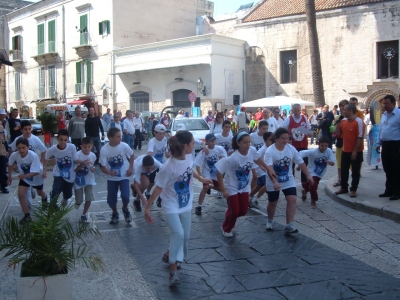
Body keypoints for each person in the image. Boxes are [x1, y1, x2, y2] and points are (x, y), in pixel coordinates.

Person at [144, 130, 212, 286]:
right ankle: (173, 270)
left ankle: (171, 254)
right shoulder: (168, 167)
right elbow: (158, 189)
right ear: (185, 145)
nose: (194, 146)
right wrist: (147, 209)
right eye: (193, 143)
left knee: (185, 237)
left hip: (185, 203)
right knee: (178, 233)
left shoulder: (188, 157)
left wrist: (201, 178)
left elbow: (190, 171)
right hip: (171, 205)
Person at [215, 132, 269, 237]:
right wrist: (223, 189)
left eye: (249, 142)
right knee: (235, 212)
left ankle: (230, 213)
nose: (248, 144)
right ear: (238, 143)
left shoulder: (252, 151)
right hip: (231, 186)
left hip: (244, 186)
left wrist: (268, 168)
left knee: (243, 211)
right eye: (245, 142)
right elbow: (219, 172)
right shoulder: (233, 157)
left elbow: (257, 159)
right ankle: (226, 228)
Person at [264, 128, 314, 234]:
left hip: (288, 179)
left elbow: (300, 162)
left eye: (287, 138)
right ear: (276, 138)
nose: (286, 141)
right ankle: (270, 220)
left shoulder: (291, 148)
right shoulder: (270, 151)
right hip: (273, 179)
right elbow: (269, 169)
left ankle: (289, 224)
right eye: (283, 138)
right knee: (273, 202)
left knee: (292, 199)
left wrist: (308, 175)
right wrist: (274, 182)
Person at [7, 137, 48, 224]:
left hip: (37, 176)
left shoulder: (33, 155)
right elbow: (10, 165)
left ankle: (45, 198)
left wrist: (24, 176)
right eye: (19, 148)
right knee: (21, 195)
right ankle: (27, 216)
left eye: (23, 147)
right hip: (25, 177)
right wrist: (9, 177)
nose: (21, 150)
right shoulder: (14, 155)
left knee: (40, 193)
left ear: (28, 147)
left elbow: (36, 172)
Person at [99, 127, 134, 224]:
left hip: (124, 175)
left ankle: (125, 209)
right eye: (118, 137)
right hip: (112, 178)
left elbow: (131, 155)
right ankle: (114, 213)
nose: (120, 138)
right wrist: (110, 173)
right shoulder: (104, 150)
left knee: (125, 196)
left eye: (121, 136)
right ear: (110, 138)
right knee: (111, 198)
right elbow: (102, 166)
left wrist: (130, 168)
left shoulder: (124, 146)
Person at [334, 104, 365, 198]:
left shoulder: (359, 122)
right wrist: (337, 123)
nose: (343, 111)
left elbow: (360, 137)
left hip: (356, 151)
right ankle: (344, 187)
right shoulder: (343, 121)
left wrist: (355, 151)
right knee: (344, 170)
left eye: (345, 110)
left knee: (355, 171)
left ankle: (353, 189)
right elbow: (338, 134)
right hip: (345, 150)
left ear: (351, 111)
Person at [43, 129, 79, 207]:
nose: (63, 142)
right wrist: (44, 170)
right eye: (61, 140)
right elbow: (45, 158)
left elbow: (76, 159)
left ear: (68, 140)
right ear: (57, 139)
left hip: (70, 174)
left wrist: (84, 162)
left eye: (65, 140)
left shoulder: (72, 147)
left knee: (68, 194)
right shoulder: (53, 148)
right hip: (58, 172)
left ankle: (65, 198)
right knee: (56, 189)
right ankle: (53, 204)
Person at [194, 133, 227, 215]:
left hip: (216, 172)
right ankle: (199, 206)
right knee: (205, 187)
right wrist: (201, 176)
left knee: (221, 189)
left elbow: (225, 159)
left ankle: (210, 186)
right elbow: (198, 164)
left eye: (214, 140)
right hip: (207, 171)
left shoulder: (219, 149)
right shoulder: (203, 151)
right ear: (207, 142)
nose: (213, 142)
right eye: (211, 141)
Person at [299, 136, 335, 206]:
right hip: (312, 171)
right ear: (318, 144)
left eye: (325, 146)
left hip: (321, 172)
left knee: (313, 185)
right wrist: (299, 164)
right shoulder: (313, 152)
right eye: (322, 146)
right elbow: (301, 154)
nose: (324, 147)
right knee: (313, 186)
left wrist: (329, 162)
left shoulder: (329, 151)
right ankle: (313, 200)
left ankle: (305, 189)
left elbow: (332, 162)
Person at [376, 95, 400, 200]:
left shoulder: (398, 114)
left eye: (387, 103)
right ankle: (388, 190)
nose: (384, 105)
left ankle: (397, 192)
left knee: (396, 169)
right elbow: (381, 130)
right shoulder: (384, 115)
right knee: (387, 168)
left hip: (395, 145)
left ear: (393, 104)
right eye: (383, 103)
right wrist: (378, 143)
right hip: (385, 145)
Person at [281, 103, 311, 181]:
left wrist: (302, 129)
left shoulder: (304, 118)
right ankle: (292, 182)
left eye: (298, 110)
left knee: (304, 164)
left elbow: (310, 132)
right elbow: (281, 128)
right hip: (292, 146)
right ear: (292, 110)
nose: (297, 112)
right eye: (295, 111)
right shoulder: (289, 118)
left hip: (303, 145)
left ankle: (304, 184)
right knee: (291, 165)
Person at [73, 137, 96, 223]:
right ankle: (78, 203)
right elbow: (75, 169)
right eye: (85, 147)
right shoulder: (77, 155)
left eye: (89, 147)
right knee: (79, 200)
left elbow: (92, 166)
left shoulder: (93, 155)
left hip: (89, 179)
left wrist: (93, 169)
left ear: (92, 146)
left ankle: (84, 214)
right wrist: (83, 164)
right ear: (81, 146)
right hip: (79, 179)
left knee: (89, 197)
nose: (87, 149)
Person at [249, 132, 274, 208]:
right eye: (270, 140)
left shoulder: (272, 148)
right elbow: (254, 158)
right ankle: (255, 198)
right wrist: (261, 166)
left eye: (272, 140)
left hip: (266, 169)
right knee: (267, 184)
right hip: (260, 170)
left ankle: (249, 197)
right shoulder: (263, 149)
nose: (272, 141)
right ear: (265, 140)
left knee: (259, 185)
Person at [333, 100, 349, 187]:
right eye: (341, 106)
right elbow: (336, 132)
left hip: (349, 143)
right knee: (339, 162)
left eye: (344, 106)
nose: (342, 108)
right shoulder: (339, 117)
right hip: (340, 142)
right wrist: (337, 123)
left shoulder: (351, 118)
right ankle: (340, 179)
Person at [0, 109, 9, 193]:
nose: (4, 116)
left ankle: (3, 186)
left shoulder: (3, 124)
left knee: (2, 170)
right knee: (2, 170)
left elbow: (4, 139)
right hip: (1, 151)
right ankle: (3, 186)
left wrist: (6, 150)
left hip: (2, 151)